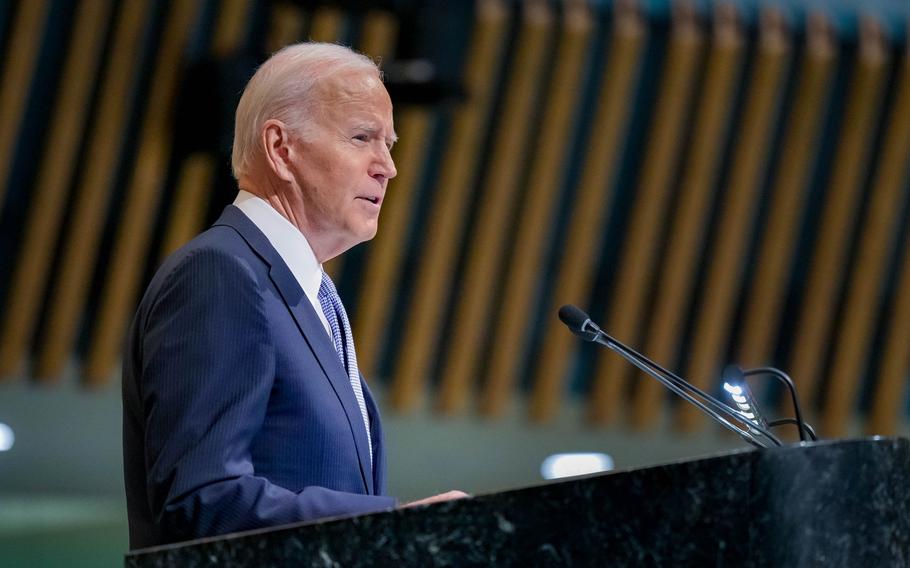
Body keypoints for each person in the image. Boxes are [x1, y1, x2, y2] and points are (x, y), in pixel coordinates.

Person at [122, 42, 465, 550]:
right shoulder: (221, 274)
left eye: (389, 144)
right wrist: (393, 527)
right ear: (282, 149)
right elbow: (202, 503)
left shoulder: (313, 295)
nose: (387, 166)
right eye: (362, 137)